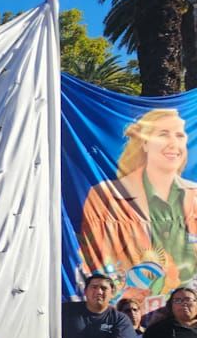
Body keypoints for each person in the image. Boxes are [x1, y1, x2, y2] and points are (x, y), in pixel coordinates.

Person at [79, 108, 197, 300]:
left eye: (180, 135)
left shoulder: (195, 195)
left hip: (187, 308)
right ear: (144, 143)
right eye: (163, 134)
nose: (173, 143)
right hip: (128, 307)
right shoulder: (105, 195)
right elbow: (91, 259)